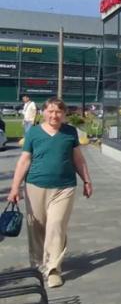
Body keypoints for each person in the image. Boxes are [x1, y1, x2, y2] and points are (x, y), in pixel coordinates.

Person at [6, 97, 93, 288]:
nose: (54, 115)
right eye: (51, 111)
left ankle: (54, 268)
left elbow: (78, 159)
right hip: (35, 186)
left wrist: (87, 180)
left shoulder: (70, 132)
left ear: (64, 114)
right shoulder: (34, 133)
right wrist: (14, 187)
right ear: (43, 112)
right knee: (36, 227)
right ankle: (38, 264)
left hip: (64, 187)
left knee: (56, 225)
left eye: (58, 112)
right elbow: (24, 161)